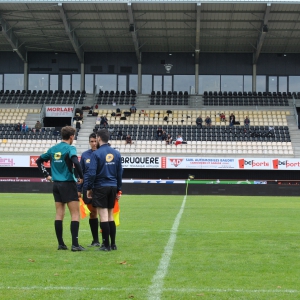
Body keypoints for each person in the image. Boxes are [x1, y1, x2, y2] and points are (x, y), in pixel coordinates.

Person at [36, 126, 85, 252]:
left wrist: (46, 175)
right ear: (71, 137)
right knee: (75, 213)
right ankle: (75, 244)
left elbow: (39, 161)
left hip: (56, 185)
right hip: (68, 183)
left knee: (59, 213)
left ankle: (61, 244)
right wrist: (81, 176)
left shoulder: (53, 149)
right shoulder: (70, 148)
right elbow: (76, 162)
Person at [87, 129, 123, 251]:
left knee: (103, 216)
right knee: (110, 215)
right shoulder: (116, 153)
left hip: (100, 186)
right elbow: (119, 173)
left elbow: (92, 173)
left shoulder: (96, 154)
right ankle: (113, 244)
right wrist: (119, 189)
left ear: (98, 138)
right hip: (112, 187)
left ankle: (105, 245)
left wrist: (89, 188)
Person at [77, 133, 101, 247]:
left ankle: (106, 240)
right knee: (93, 213)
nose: (94, 143)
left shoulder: (102, 153)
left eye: (95, 141)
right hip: (87, 188)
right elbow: (80, 174)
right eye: (91, 141)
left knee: (104, 213)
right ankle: (95, 240)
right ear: (89, 142)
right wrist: (79, 189)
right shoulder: (85, 155)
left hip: (100, 187)